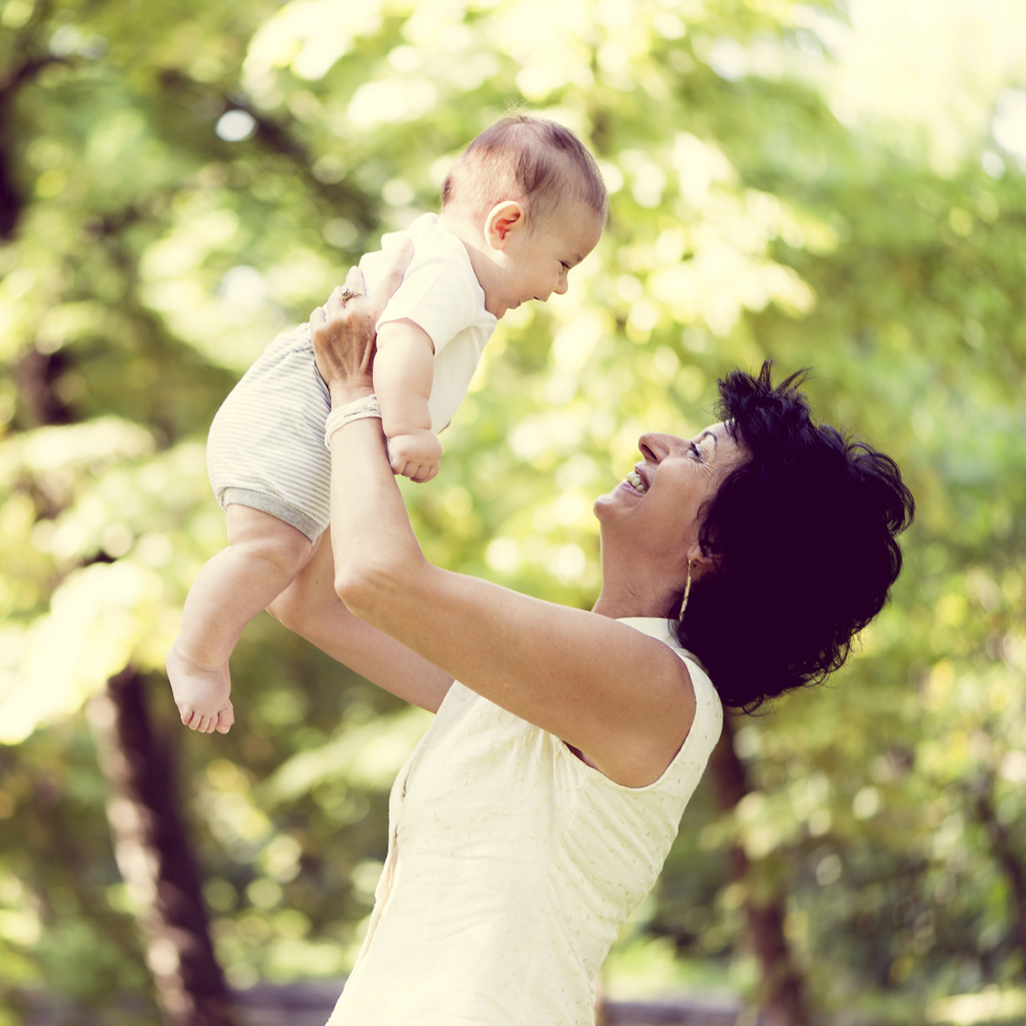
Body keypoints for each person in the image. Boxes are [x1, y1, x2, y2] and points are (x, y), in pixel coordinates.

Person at [262, 247, 914, 1025]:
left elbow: (376, 579)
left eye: (696, 452)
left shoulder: (659, 690)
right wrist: (382, 368)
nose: (653, 441)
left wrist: (357, 394)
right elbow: (307, 600)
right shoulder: (546, 685)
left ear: (718, 546)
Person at [166, 114, 608, 733]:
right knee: (271, 549)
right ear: (504, 226)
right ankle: (198, 656)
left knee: (290, 574)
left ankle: (491, 719)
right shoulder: (450, 270)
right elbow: (400, 340)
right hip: (299, 409)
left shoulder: (445, 263)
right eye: (563, 263)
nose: (560, 287)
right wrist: (408, 433)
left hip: (313, 417)